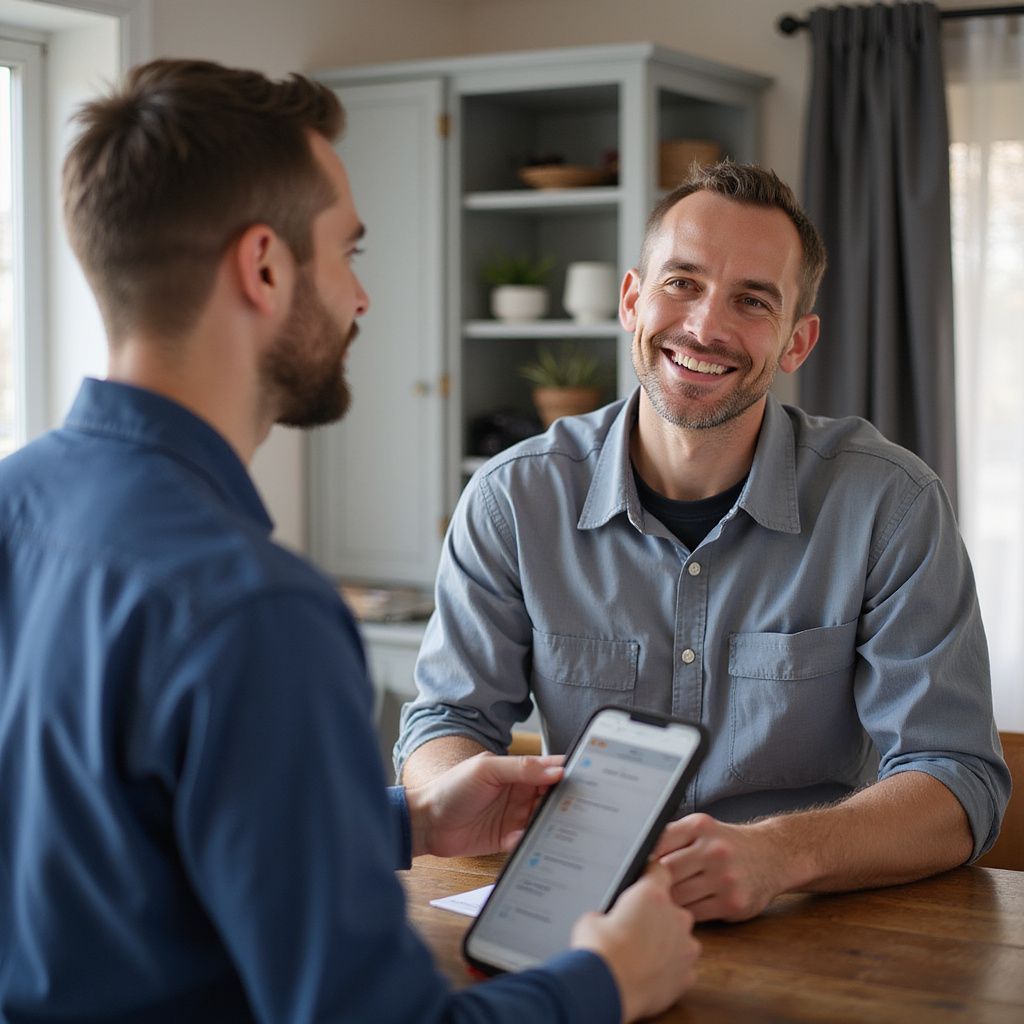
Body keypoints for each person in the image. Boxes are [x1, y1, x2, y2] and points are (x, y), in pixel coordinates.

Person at [0, 60, 700, 1023]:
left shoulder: (13, 508)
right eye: (349, 252)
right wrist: (607, 983)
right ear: (264, 267)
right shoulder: (256, 606)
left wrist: (406, 818)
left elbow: (88, 844)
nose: (362, 298)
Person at [396, 161, 1011, 923]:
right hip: (577, 914)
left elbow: (957, 781)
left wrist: (782, 855)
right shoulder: (511, 497)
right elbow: (445, 724)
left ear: (797, 341)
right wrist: (454, 795)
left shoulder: (891, 504)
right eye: (680, 282)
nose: (705, 327)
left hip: (808, 921)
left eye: (753, 300)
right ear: (631, 300)